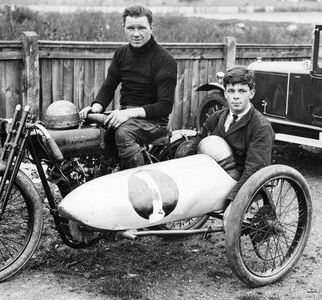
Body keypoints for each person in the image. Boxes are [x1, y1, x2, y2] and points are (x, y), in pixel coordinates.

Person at [79, 3, 177, 170]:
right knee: (87, 126)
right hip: (126, 116)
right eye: (131, 28)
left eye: (142, 28)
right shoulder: (121, 53)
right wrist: (94, 109)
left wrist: (127, 113)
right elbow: (109, 87)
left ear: (151, 28)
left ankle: (138, 181)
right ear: (123, 27)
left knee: (123, 133)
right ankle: (100, 172)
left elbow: (165, 106)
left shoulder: (164, 59)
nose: (136, 34)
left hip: (153, 121)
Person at [187, 66, 275, 207]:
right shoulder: (215, 118)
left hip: (242, 184)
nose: (236, 96)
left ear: (251, 93)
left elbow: (254, 170)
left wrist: (233, 202)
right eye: (231, 91)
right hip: (214, 178)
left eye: (242, 91)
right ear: (225, 94)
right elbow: (193, 151)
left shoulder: (260, 127)